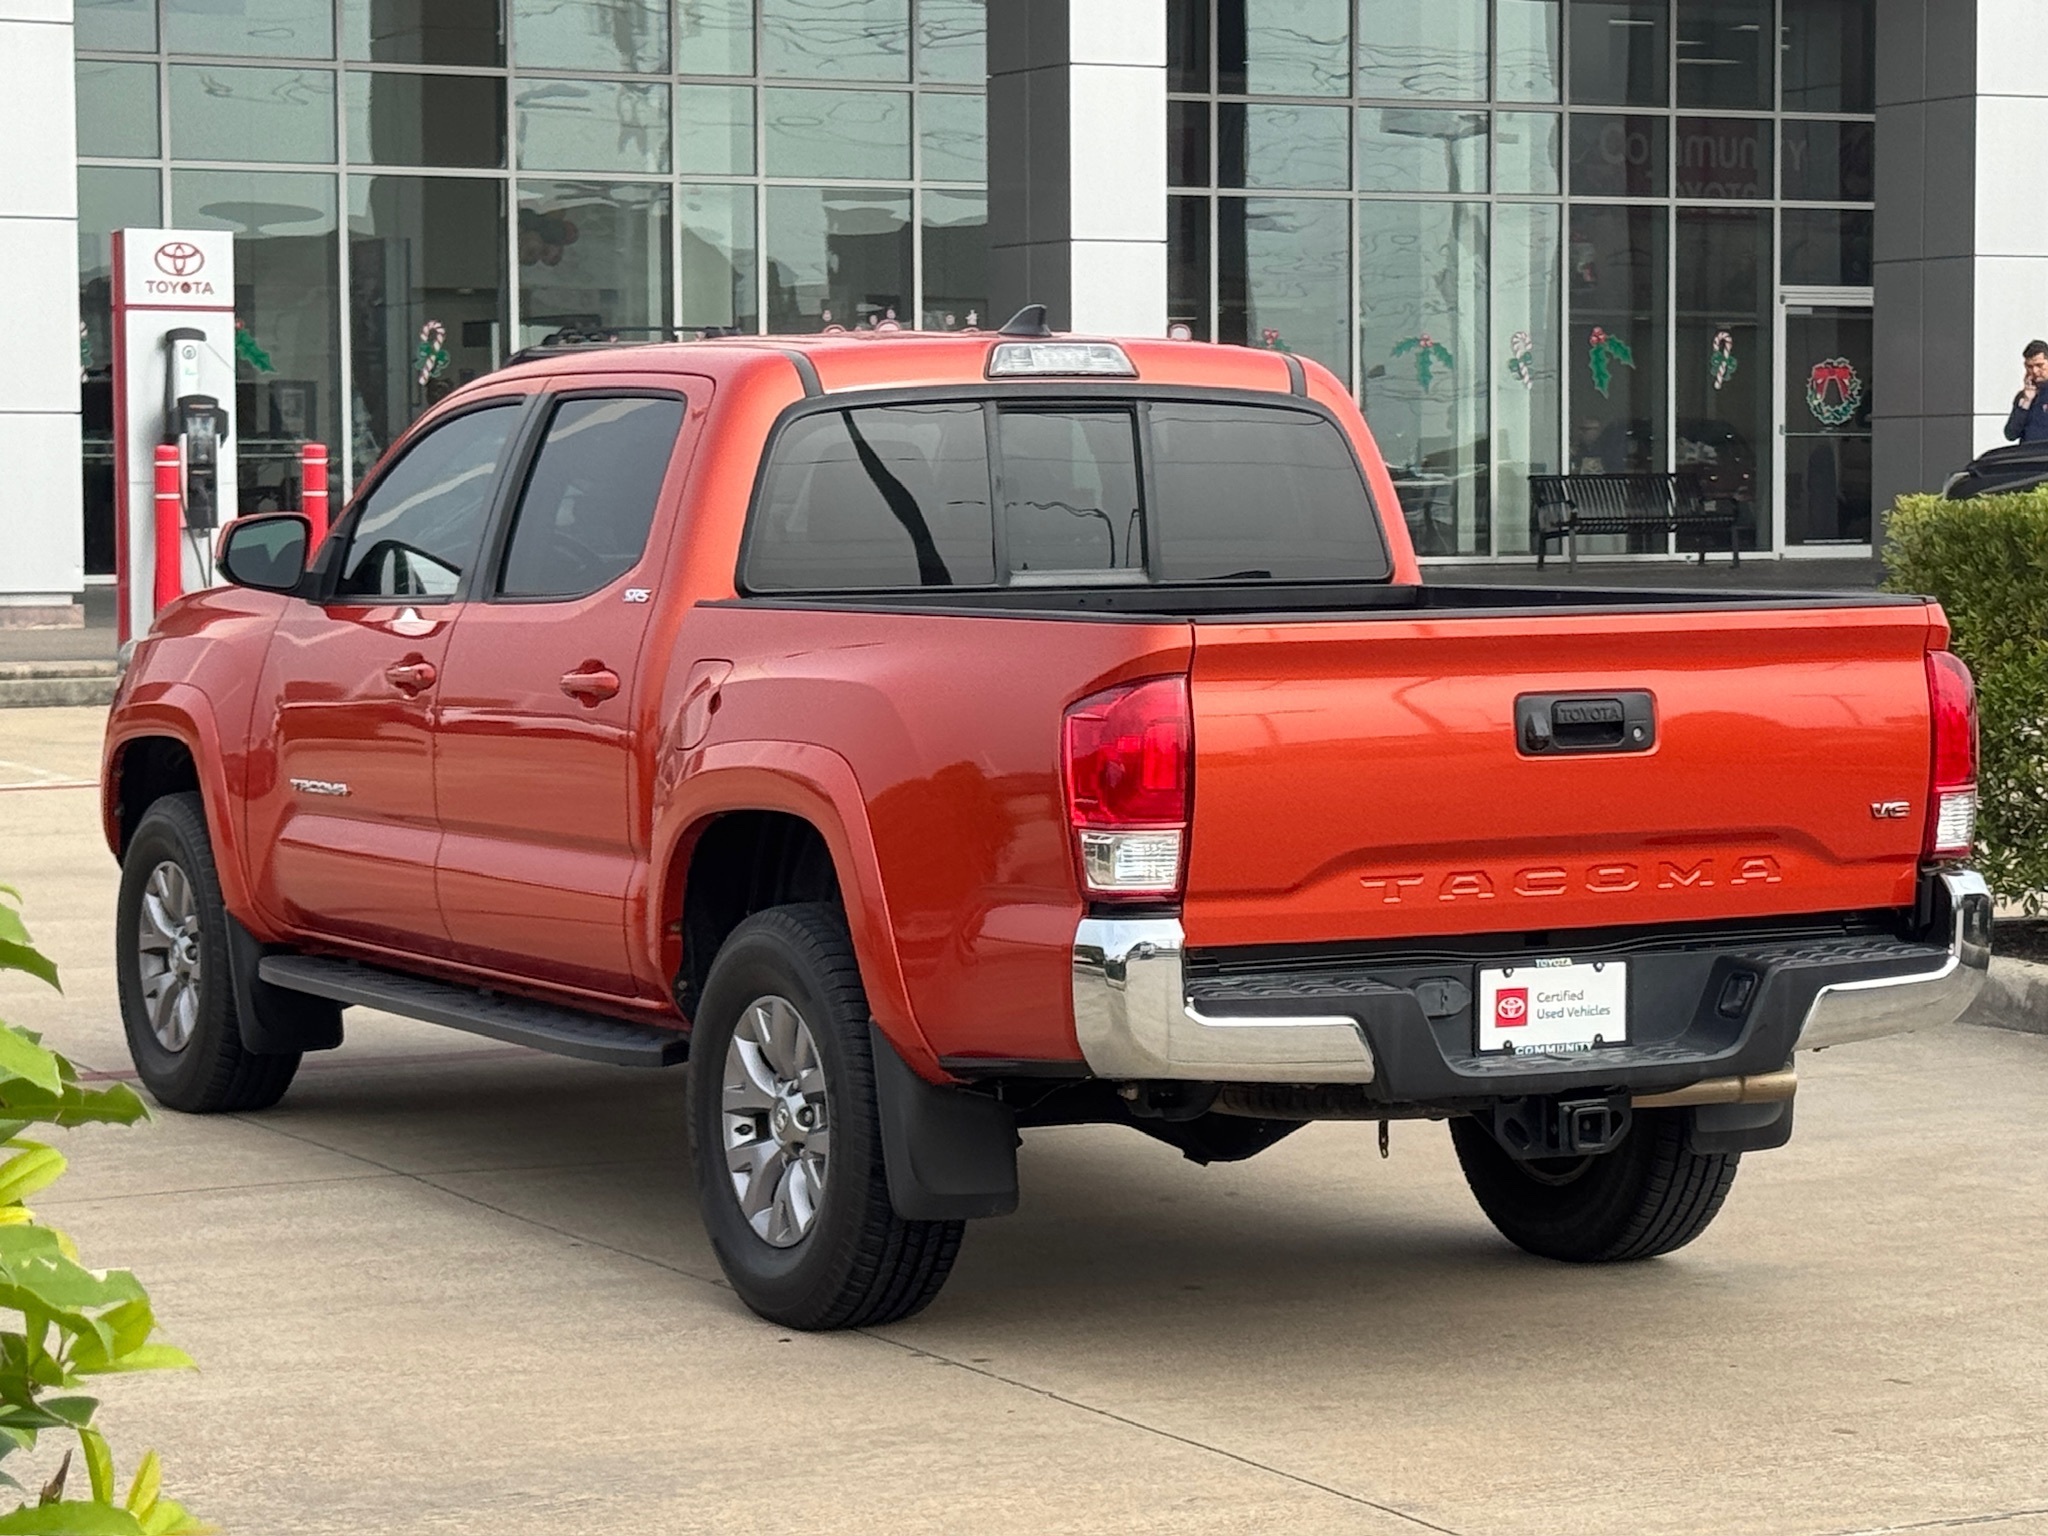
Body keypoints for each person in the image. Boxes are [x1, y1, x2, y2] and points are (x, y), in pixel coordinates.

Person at [2003, 340, 2048, 441]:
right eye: (2030, 367)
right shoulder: (2023, 397)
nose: (2035, 371)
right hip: (2028, 454)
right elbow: (2011, 434)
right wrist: (2026, 402)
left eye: (2040, 365)